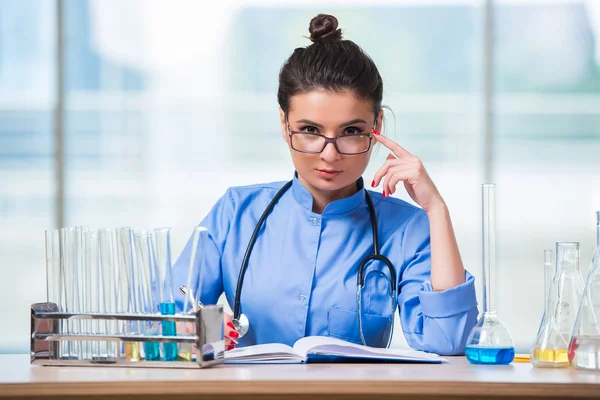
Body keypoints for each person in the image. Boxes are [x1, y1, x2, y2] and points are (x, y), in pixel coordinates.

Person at [172, 13, 478, 356]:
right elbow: (166, 315)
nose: (329, 155)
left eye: (350, 131)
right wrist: (204, 328)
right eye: (310, 130)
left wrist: (436, 209)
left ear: (376, 124)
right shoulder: (236, 212)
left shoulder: (407, 228)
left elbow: (448, 341)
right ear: (284, 122)